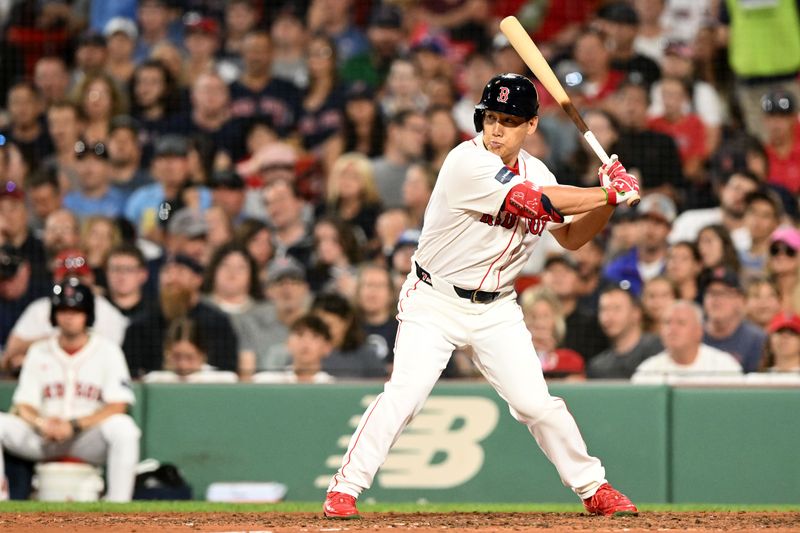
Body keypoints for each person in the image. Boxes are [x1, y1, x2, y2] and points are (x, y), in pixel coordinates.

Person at [322, 73, 640, 519]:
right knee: (406, 393)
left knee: (535, 403)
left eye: (508, 120)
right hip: (435, 298)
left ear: (531, 125)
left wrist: (605, 204)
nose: (495, 129)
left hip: (497, 308)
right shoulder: (464, 162)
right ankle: (345, 488)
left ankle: (594, 487)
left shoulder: (540, 171)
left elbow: (570, 239)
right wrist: (606, 190)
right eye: (490, 117)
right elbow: (535, 203)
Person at [0, 279, 140, 501]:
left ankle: (119, 506)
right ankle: (2, 504)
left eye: (76, 310)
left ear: (88, 314)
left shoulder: (108, 351)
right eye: (63, 309)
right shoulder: (38, 351)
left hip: (85, 438)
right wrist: (41, 423)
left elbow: (118, 405)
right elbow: (23, 405)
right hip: (43, 436)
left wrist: (74, 425)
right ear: (54, 314)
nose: (69, 316)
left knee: (125, 429)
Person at [631, 300, 743, 384]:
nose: (672, 329)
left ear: (698, 331)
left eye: (681, 323)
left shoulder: (724, 367)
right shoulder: (647, 371)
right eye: (667, 322)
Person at [589, 285, 662, 379]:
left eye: (616, 308)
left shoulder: (658, 349)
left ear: (636, 313)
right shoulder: (598, 367)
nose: (609, 316)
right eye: (604, 309)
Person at [702, 267, 767, 373]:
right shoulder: (692, 334)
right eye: (711, 293)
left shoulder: (756, 340)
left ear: (740, 300)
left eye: (723, 293)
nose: (716, 300)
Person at [310, 292, 385, 380]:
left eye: (328, 326)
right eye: (317, 327)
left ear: (347, 322)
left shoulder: (367, 357)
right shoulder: (303, 354)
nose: (322, 332)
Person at [143, 318, 238, 384]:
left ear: (203, 354)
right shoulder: (154, 380)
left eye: (190, 357)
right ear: (167, 351)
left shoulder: (224, 381)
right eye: (176, 356)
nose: (183, 365)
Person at [519, 286, 585, 379]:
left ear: (556, 320)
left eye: (545, 316)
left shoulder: (571, 360)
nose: (540, 323)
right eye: (533, 316)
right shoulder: (513, 360)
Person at [252, 314, 335, 384]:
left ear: (327, 347)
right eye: (300, 335)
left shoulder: (334, 386)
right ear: (288, 343)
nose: (305, 342)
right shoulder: (265, 382)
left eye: (314, 336)